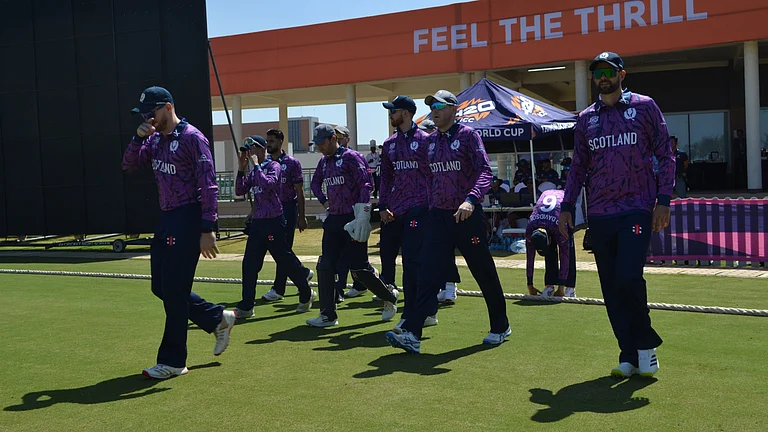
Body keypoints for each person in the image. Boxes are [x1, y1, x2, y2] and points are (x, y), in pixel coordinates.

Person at [559, 52, 672, 379]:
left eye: (609, 71)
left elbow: (665, 152)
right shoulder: (586, 118)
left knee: (628, 278)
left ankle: (645, 345)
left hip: (637, 207)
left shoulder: (644, 107)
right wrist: (566, 207)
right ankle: (628, 354)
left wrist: (663, 199)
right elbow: (578, 166)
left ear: (622, 74)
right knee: (610, 286)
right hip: (600, 213)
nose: (603, 77)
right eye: (598, 73)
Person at [385, 90, 511, 354]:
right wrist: (429, 207)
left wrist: (471, 199)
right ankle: (413, 333)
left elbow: (485, 171)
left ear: (454, 109)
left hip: (466, 216)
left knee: (483, 272)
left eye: (440, 105)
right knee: (427, 273)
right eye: (431, 106)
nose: (435, 110)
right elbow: (427, 177)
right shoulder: (429, 142)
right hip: (439, 218)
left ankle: (500, 326)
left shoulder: (468, 136)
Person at [122, 86, 235, 379]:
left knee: (173, 291)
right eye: (145, 114)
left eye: (152, 112)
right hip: (167, 217)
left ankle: (173, 361)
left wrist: (208, 228)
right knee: (160, 287)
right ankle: (216, 318)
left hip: (188, 217)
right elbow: (130, 164)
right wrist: (138, 137)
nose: (149, 118)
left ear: (168, 107)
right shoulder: (155, 139)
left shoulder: (192, 138)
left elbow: (209, 184)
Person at [307, 124, 400, 327]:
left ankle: (389, 295)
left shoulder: (351, 157)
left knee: (359, 269)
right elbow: (315, 184)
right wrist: (324, 201)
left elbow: (366, 184)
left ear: (333, 138)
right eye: (317, 144)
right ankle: (328, 315)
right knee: (326, 265)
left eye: (322, 143)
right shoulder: (324, 163)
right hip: (334, 219)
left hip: (352, 217)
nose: (320, 148)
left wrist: (362, 213)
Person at [378, 95, 442, 330]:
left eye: (393, 110)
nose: (390, 114)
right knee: (387, 255)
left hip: (420, 208)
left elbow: (435, 175)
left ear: (405, 113)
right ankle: (401, 304)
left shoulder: (426, 140)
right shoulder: (389, 144)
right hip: (394, 210)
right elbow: (385, 177)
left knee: (413, 262)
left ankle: (415, 313)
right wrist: (382, 206)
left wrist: (433, 205)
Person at [233, 135, 316, 318]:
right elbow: (240, 190)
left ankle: (305, 290)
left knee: (284, 260)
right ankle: (247, 305)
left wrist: (255, 166)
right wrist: (241, 169)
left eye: (254, 148)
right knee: (249, 265)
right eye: (249, 149)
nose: (251, 152)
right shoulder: (255, 170)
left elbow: (268, 184)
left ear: (262, 149)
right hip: (258, 223)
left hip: (273, 221)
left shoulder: (274, 166)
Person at [260, 128, 314, 302]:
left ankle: (279, 288)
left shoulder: (292, 163)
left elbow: (300, 191)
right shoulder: (265, 164)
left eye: (272, 141)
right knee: (279, 249)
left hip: (288, 209)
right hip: (270, 211)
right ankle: (302, 272)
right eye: (267, 141)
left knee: (282, 249)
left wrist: (301, 216)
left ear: (280, 142)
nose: (268, 144)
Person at [332, 125, 366, 301]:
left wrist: (362, 209)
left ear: (347, 138)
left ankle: (365, 283)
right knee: (342, 255)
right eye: (334, 136)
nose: (337, 139)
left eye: (340, 136)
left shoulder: (354, 157)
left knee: (357, 255)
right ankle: (339, 289)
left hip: (354, 211)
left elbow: (365, 183)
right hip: (338, 213)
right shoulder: (330, 158)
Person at [526, 189, 576, 297]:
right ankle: (550, 285)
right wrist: (530, 285)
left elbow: (564, 255)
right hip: (548, 214)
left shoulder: (560, 227)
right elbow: (530, 257)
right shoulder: (530, 229)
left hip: (565, 205)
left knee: (568, 249)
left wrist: (561, 287)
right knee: (550, 251)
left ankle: (570, 288)